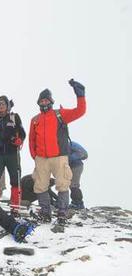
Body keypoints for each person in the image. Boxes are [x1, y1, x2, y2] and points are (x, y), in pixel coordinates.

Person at [29, 79, 86, 224]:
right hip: (41, 158)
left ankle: (62, 213)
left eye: (46, 100)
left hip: (59, 157)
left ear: (51, 101)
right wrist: (34, 156)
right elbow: (31, 140)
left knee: (62, 184)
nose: (44, 103)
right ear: (38, 103)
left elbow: (80, 111)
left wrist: (80, 96)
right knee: (40, 185)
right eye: (41, 101)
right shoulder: (35, 119)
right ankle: (45, 213)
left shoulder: (60, 114)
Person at [0, 96, 25, 216]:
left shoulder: (15, 117)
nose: (1, 106)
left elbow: (22, 133)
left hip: (12, 153)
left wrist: (20, 140)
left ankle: (15, 207)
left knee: (15, 179)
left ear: (7, 105)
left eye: (3, 104)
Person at [69, 141, 88, 209]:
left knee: (73, 185)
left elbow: (84, 153)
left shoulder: (70, 143)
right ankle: (76, 202)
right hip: (73, 166)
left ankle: (78, 204)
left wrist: (70, 158)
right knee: (71, 185)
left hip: (76, 166)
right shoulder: (68, 143)